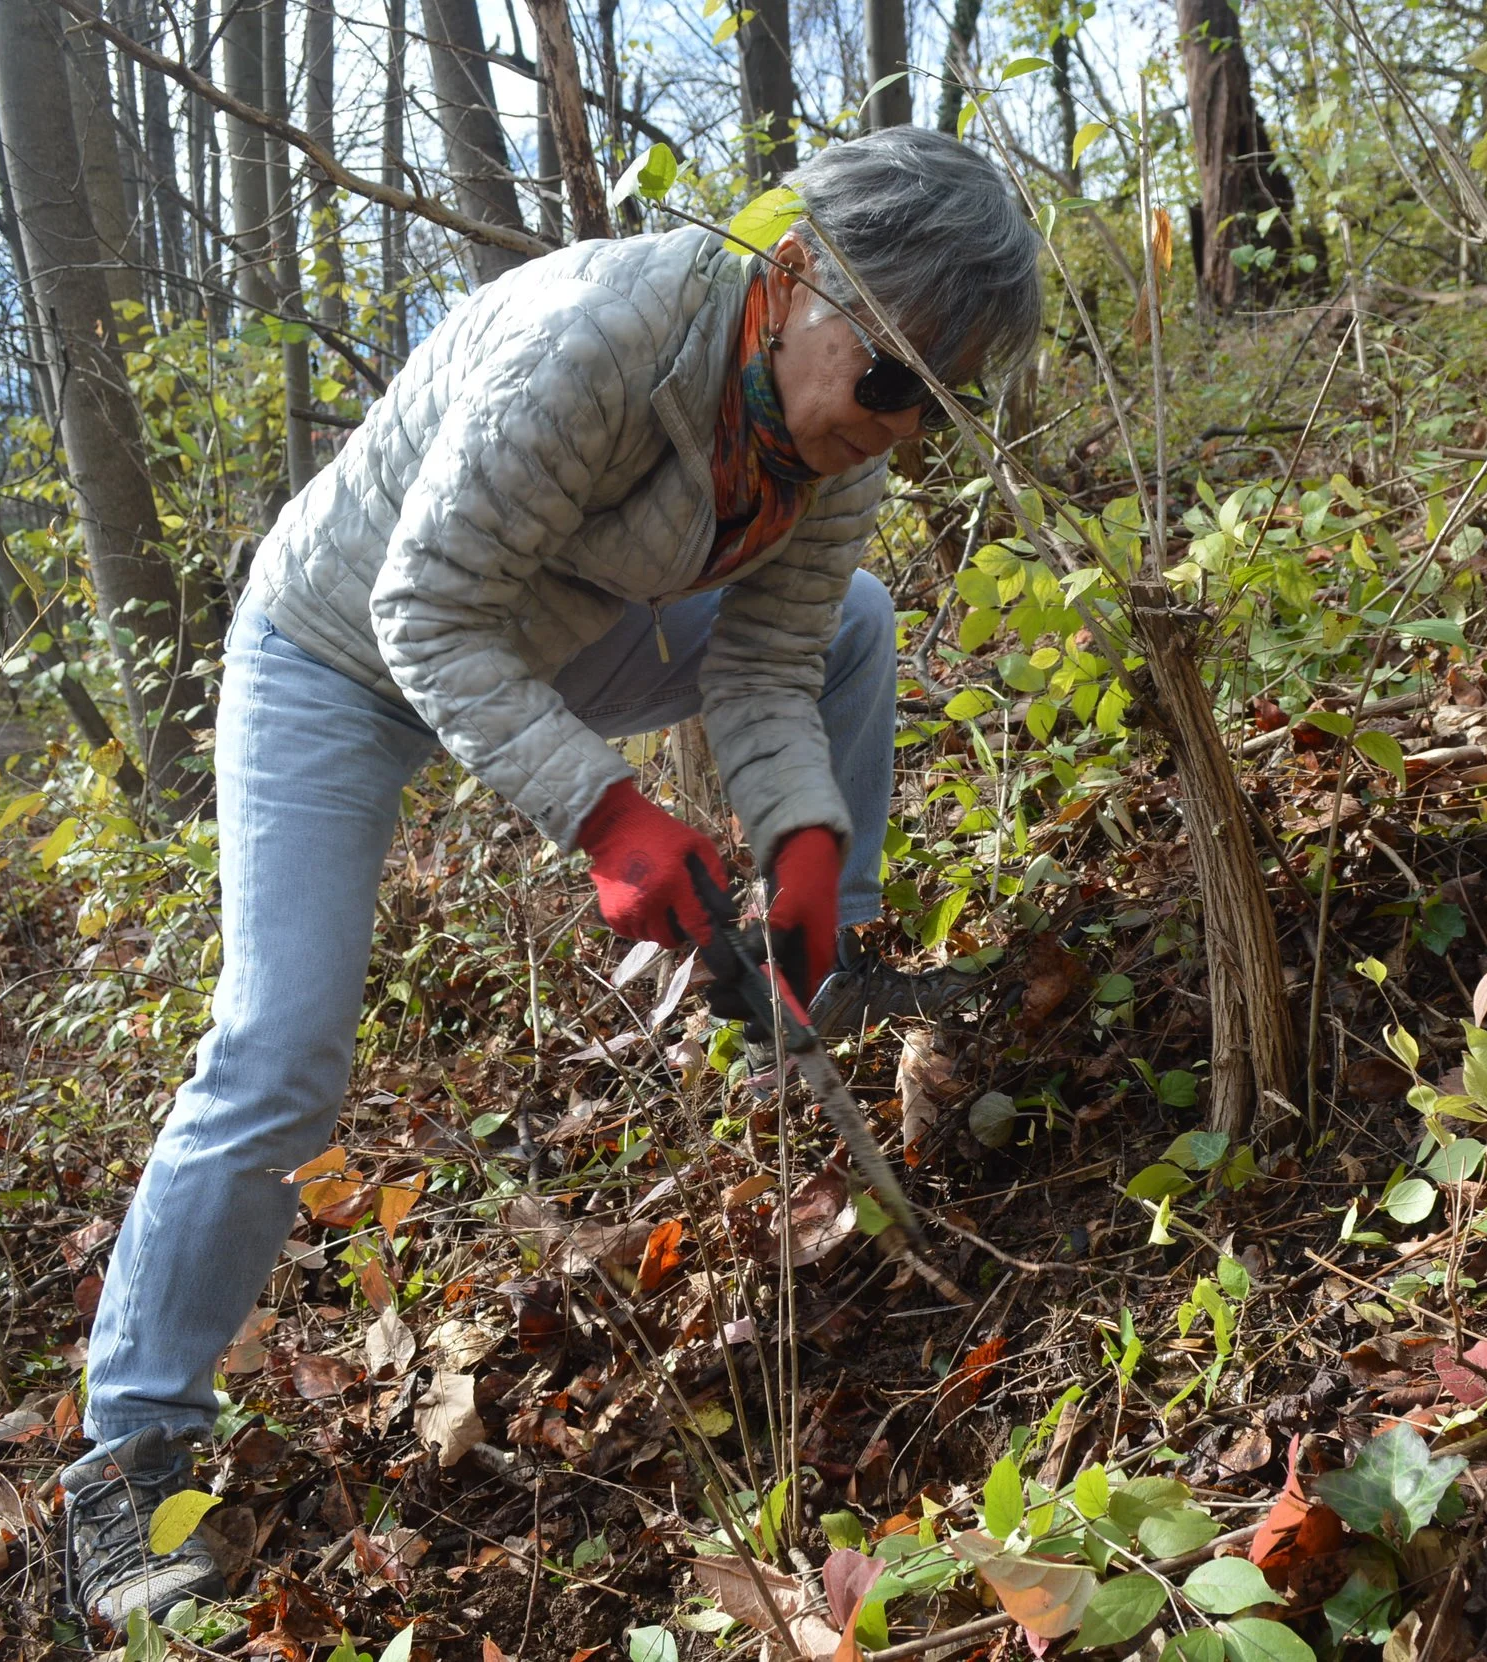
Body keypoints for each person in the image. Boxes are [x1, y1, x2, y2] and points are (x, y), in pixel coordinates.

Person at [58, 128, 1043, 1629]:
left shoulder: (838, 438)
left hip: (568, 630)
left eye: (939, 405)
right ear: (794, 276)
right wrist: (608, 815)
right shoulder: (599, 337)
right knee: (281, 1047)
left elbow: (770, 661)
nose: (897, 426)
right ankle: (130, 1454)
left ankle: (821, 970)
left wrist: (804, 840)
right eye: (893, 376)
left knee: (853, 620)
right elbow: (428, 611)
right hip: (342, 648)